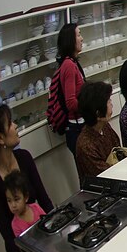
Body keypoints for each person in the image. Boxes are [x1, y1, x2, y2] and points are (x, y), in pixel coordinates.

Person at [0, 104, 53, 252]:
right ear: (0, 138)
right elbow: (9, 235)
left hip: (46, 238)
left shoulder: (24, 158)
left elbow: (45, 202)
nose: (16, 126)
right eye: (10, 123)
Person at [75, 81, 121, 180]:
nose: (111, 104)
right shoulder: (86, 145)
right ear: (98, 114)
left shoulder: (104, 126)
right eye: (108, 101)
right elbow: (107, 174)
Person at [52, 22, 86, 154]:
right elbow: (71, 102)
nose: (82, 38)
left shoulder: (72, 63)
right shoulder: (69, 66)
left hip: (79, 125)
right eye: (78, 35)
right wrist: (90, 105)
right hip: (76, 128)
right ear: (70, 40)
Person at [5, 171, 45, 237]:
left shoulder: (36, 207)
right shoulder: (15, 224)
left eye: (16, 199)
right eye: (9, 201)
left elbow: (48, 223)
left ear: (26, 197)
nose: (13, 205)